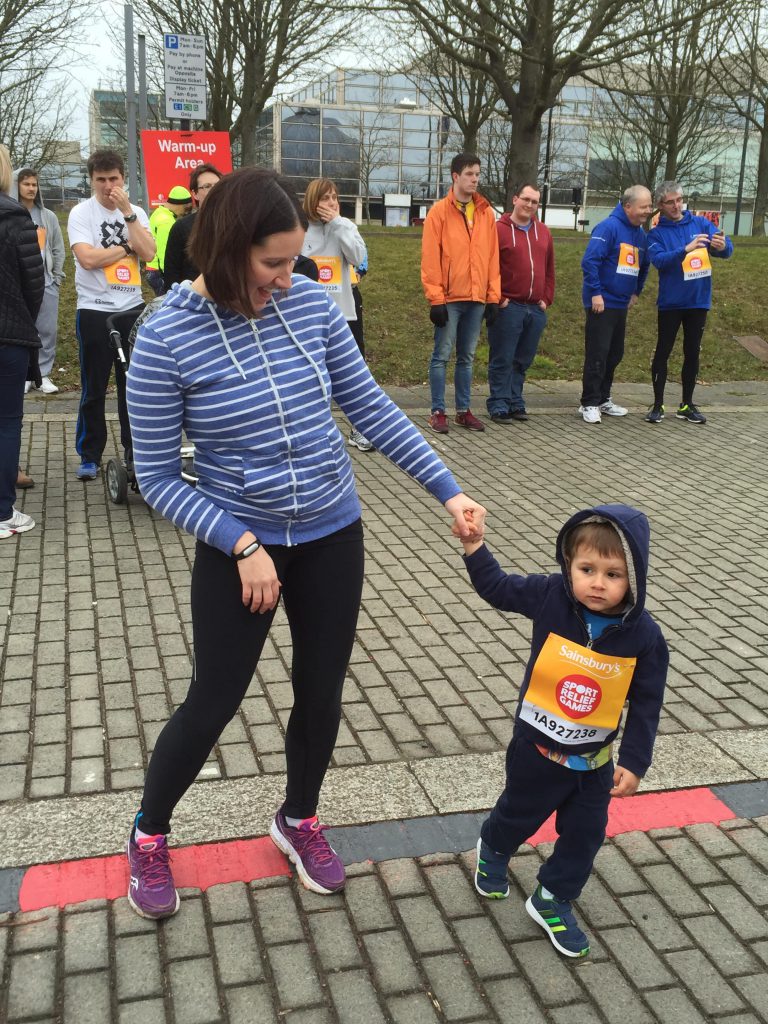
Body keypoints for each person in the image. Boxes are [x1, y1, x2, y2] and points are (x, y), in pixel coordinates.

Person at [124, 167, 487, 920]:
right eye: (272, 264)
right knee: (214, 699)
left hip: (330, 530)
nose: (289, 279)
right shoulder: (165, 336)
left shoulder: (312, 307)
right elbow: (156, 476)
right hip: (242, 547)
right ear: (224, 251)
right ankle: (149, 833)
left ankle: (298, 818)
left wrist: (448, 490)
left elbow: (371, 409)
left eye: (294, 261)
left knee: (321, 693)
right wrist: (240, 542)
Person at [455, 504, 667, 958]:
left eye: (613, 574)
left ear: (636, 579)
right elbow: (497, 587)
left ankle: (552, 897)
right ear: (568, 565)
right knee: (519, 813)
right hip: (536, 748)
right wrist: (474, 546)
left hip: (594, 762)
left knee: (586, 834)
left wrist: (634, 761)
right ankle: (493, 847)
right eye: (586, 569)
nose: (597, 583)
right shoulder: (551, 595)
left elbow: (647, 702)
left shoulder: (644, 637)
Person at [67, 149, 155, 480]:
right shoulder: (80, 213)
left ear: (123, 179)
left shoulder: (137, 213)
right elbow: (87, 259)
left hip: (130, 307)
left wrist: (128, 215)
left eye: (113, 179)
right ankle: (89, 454)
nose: (107, 186)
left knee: (131, 385)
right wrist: (125, 249)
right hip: (93, 308)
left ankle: (134, 451)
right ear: (92, 181)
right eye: (100, 180)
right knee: (94, 386)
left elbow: (148, 252)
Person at [421, 152, 500, 434]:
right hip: (449, 298)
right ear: (456, 176)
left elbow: (492, 258)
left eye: (478, 174)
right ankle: (438, 411)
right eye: (469, 174)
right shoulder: (439, 213)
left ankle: (464, 410)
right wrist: (435, 298)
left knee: (467, 357)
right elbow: (430, 258)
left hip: (476, 297)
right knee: (442, 354)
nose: (475, 179)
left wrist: (492, 296)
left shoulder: (485, 213)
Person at [645, 183, 733, 425]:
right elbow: (660, 261)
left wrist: (723, 246)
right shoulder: (656, 234)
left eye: (679, 200)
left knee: (692, 352)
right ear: (661, 205)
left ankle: (687, 404)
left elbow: (726, 248)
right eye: (671, 202)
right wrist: (685, 249)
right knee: (663, 350)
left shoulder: (700, 224)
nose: (677, 206)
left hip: (698, 301)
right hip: (671, 303)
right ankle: (658, 404)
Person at [302, 178, 372, 452]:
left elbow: (357, 256)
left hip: (343, 311)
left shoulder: (345, 226)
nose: (331, 203)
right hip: (310, 313)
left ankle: (359, 428)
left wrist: (339, 224)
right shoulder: (301, 228)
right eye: (325, 198)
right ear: (312, 201)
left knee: (353, 372)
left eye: (334, 198)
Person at [579, 186, 652, 424]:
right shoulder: (608, 228)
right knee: (597, 354)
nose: (648, 211)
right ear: (628, 206)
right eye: (644, 207)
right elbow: (590, 262)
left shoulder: (640, 234)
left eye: (650, 206)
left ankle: (603, 398)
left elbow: (644, 266)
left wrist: (636, 292)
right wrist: (595, 294)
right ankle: (589, 402)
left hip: (621, 304)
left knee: (614, 354)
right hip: (602, 303)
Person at [0, 143, 44, 538]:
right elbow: (35, 284)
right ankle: (2, 512)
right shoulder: (16, 220)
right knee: (7, 421)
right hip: (8, 332)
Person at [487, 183, 554, 423]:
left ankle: (516, 401)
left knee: (522, 359)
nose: (529, 205)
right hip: (509, 306)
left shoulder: (544, 232)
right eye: (526, 199)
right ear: (515, 199)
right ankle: (498, 404)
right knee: (503, 358)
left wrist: (546, 299)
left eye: (534, 202)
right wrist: (498, 298)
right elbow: (489, 267)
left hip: (535, 307)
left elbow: (549, 268)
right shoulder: (498, 230)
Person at [14, 167, 65, 395]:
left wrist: (56, 278)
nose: (32, 188)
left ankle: (42, 374)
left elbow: (57, 249)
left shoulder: (48, 217)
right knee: (23, 330)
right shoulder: (11, 214)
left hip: (45, 282)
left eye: (35, 184)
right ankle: (26, 374)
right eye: (27, 184)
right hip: (17, 284)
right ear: (16, 186)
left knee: (47, 330)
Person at [163, 164, 224, 290]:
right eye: (207, 186)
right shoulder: (182, 227)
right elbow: (171, 273)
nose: (214, 190)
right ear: (195, 193)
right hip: (192, 300)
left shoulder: (236, 223)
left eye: (218, 185)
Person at [145, 185, 192, 295]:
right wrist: (170, 278)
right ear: (180, 205)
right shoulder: (166, 221)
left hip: (152, 269)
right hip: (159, 272)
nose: (186, 213)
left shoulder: (158, 213)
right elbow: (164, 252)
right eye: (187, 208)